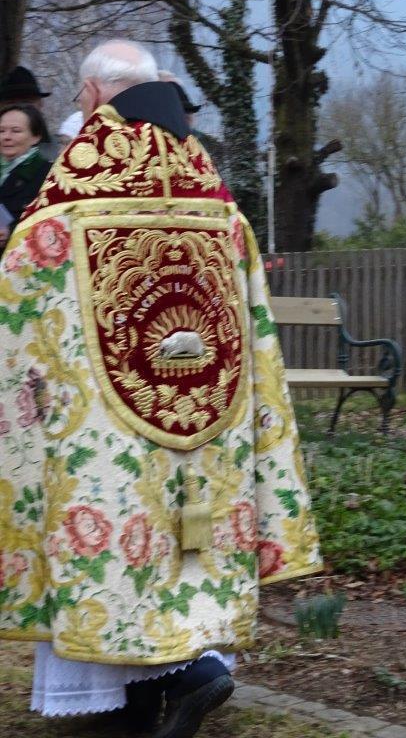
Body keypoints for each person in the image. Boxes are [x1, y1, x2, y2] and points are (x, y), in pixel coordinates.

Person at [0, 40, 321, 738]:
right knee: (186, 554)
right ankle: (171, 682)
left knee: (110, 547)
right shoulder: (219, 205)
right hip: (208, 421)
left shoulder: (65, 211)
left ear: (92, 96)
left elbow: (23, 300)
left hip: (102, 429)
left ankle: (167, 684)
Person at [0, 104, 51, 251]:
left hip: (20, 258)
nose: (6, 137)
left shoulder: (48, 174)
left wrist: (10, 233)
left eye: (16, 131)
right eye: (1, 131)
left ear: (36, 137)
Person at [0, 66, 59, 160]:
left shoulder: (62, 150)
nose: (20, 109)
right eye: (11, 103)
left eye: (27, 102)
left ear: (40, 104)